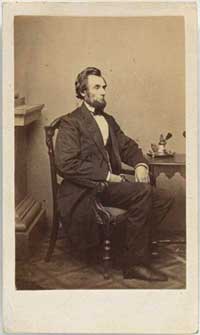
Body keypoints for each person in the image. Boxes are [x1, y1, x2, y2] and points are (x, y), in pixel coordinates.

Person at [55, 67, 174, 281]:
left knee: (165, 197)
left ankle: (129, 249)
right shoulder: (71, 122)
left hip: (109, 186)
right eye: (97, 87)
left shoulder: (108, 120)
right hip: (86, 189)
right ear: (83, 92)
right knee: (143, 193)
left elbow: (128, 146)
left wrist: (140, 165)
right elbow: (66, 164)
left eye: (104, 87)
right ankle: (135, 265)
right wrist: (108, 177)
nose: (103, 92)